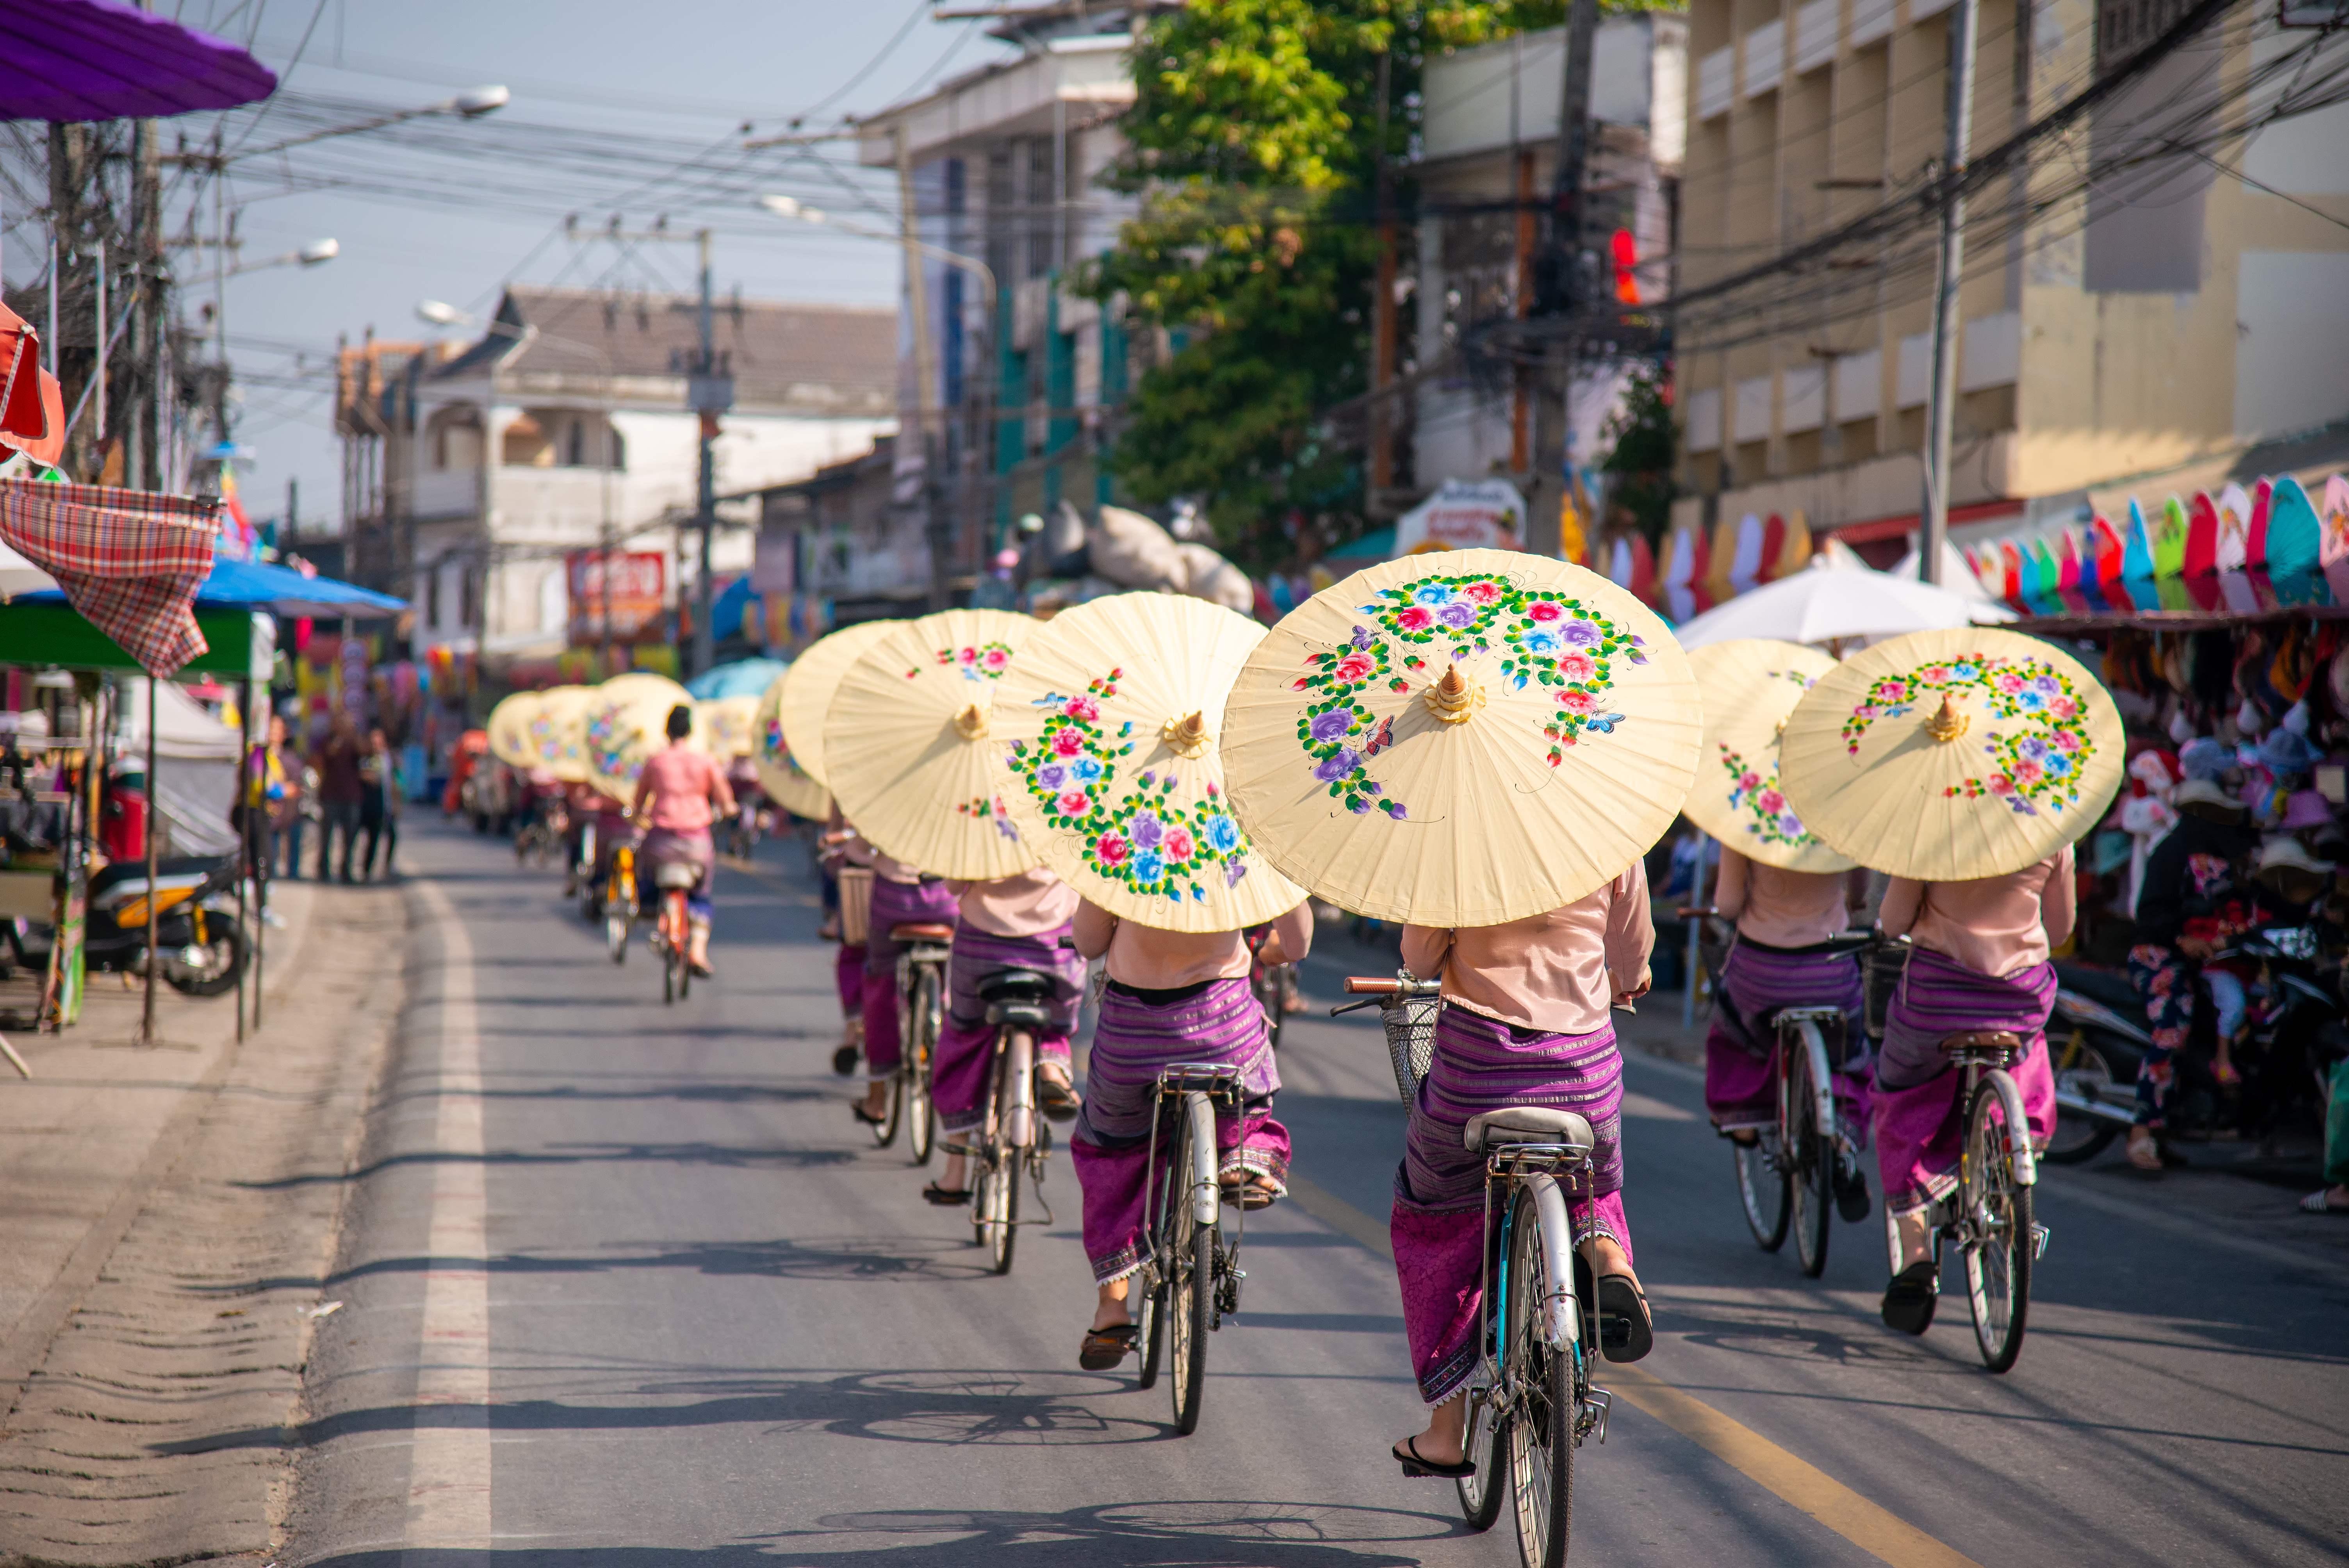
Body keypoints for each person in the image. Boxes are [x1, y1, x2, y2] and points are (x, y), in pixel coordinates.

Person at [1385, 863, 1656, 1479]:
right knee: (1593, 1182)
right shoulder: (1609, 821)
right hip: (1582, 1071)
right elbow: (1633, 950)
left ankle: (1448, 1431)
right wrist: (1626, 979)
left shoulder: (1461, 825)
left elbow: (1420, 957)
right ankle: (1607, 1258)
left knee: (1433, 1215)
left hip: (1476, 1074)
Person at [1071, 899, 1310, 1372]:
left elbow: (1088, 942)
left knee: (1111, 1151)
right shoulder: (1241, 836)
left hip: (1132, 1036)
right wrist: (1265, 953)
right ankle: (1244, 1157)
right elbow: (1297, 942)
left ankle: (1112, 1306)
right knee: (1249, 1099)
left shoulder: (1120, 835)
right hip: (1222, 1027)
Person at [1873, 845, 2073, 1333]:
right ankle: (2008, 1142)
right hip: (2021, 996)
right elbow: (2062, 929)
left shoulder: (1932, 823)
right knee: (2026, 1050)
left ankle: (1917, 1249)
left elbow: (1891, 921)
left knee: (1899, 1091)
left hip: (1935, 997)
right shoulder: (2050, 823)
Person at [1702, 848, 1873, 1213]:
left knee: (1734, 1031)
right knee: (1848, 1048)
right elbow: (1859, 895)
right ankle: (1841, 1134)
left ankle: (1744, 1118)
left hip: (1762, 972)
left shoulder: (1748, 815)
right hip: (1830, 969)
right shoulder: (1840, 814)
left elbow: (1729, 905)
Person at [922, 865, 1086, 1206]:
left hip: (982, 946)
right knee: (1057, 1017)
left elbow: (953, 885)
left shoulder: (979, 812)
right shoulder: (1073, 812)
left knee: (964, 1034)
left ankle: (955, 1170)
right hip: (1054, 948)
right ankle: (1052, 1064)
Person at [2126, 779, 2256, 1174]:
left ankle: (2172, 1127)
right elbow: (2149, 915)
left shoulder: (2218, 859)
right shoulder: (2170, 853)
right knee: (2174, 1025)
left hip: (2206, 963)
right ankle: (2141, 1130)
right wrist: (2183, 939)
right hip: (2157, 955)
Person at [850, 830, 961, 1125]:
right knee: (951, 971)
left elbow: (858, 851)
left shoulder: (894, 796)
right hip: (946, 902)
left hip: (894, 900)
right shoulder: (962, 796)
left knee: (880, 980)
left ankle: (876, 1099)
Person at [629, 705, 736, 977]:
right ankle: (698, 951)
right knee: (701, 893)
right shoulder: (705, 762)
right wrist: (730, 811)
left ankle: (652, 907)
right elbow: (726, 801)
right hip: (696, 843)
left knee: (646, 873)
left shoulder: (656, 762)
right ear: (690, 730)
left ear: (667, 731)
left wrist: (638, 816)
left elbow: (638, 803)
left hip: (660, 842)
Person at [312, 713, 367, 883]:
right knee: (326, 837)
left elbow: (364, 753)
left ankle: (346, 870)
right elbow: (323, 758)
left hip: (352, 797)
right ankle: (323, 870)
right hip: (330, 795)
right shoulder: (327, 741)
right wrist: (338, 739)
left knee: (350, 837)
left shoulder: (355, 741)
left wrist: (353, 735)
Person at [358, 727, 400, 880]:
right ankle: (365, 869)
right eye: (373, 742)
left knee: (391, 836)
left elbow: (394, 782)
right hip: (369, 806)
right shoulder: (366, 759)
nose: (376, 745)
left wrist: (397, 804)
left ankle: (387, 866)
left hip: (386, 805)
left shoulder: (388, 759)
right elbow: (364, 776)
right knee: (369, 838)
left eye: (379, 742)